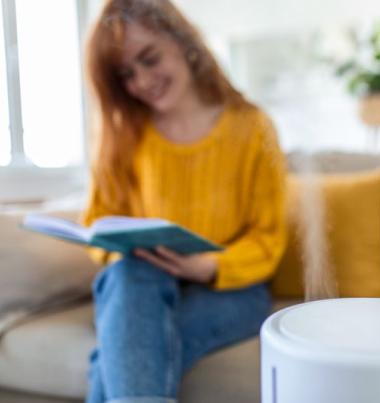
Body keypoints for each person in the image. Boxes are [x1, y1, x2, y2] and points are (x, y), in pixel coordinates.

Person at [81, 0, 287, 402]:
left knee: (123, 353)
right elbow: (99, 222)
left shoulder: (252, 128)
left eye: (149, 58)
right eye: (126, 74)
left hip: (232, 288)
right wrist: (126, 249)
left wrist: (207, 265)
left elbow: (269, 238)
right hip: (142, 281)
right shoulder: (125, 136)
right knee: (128, 277)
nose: (142, 81)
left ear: (182, 40)